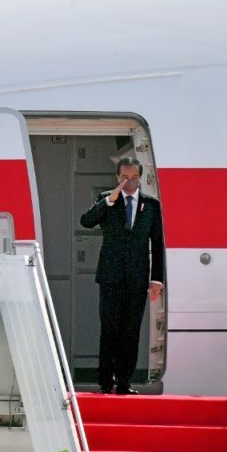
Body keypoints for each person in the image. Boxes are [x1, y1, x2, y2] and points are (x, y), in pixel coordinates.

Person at [79, 156, 164, 394]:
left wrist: (157, 279)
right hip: (110, 276)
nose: (130, 183)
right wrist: (107, 202)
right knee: (109, 329)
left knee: (131, 330)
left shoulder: (152, 205)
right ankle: (106, 382)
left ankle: (125, 383)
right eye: (125, 178)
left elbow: (157, 244)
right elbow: (86, 221)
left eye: (134, 178)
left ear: (140, 178)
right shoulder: (107, 200)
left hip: (137, 278)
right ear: (118, 177)